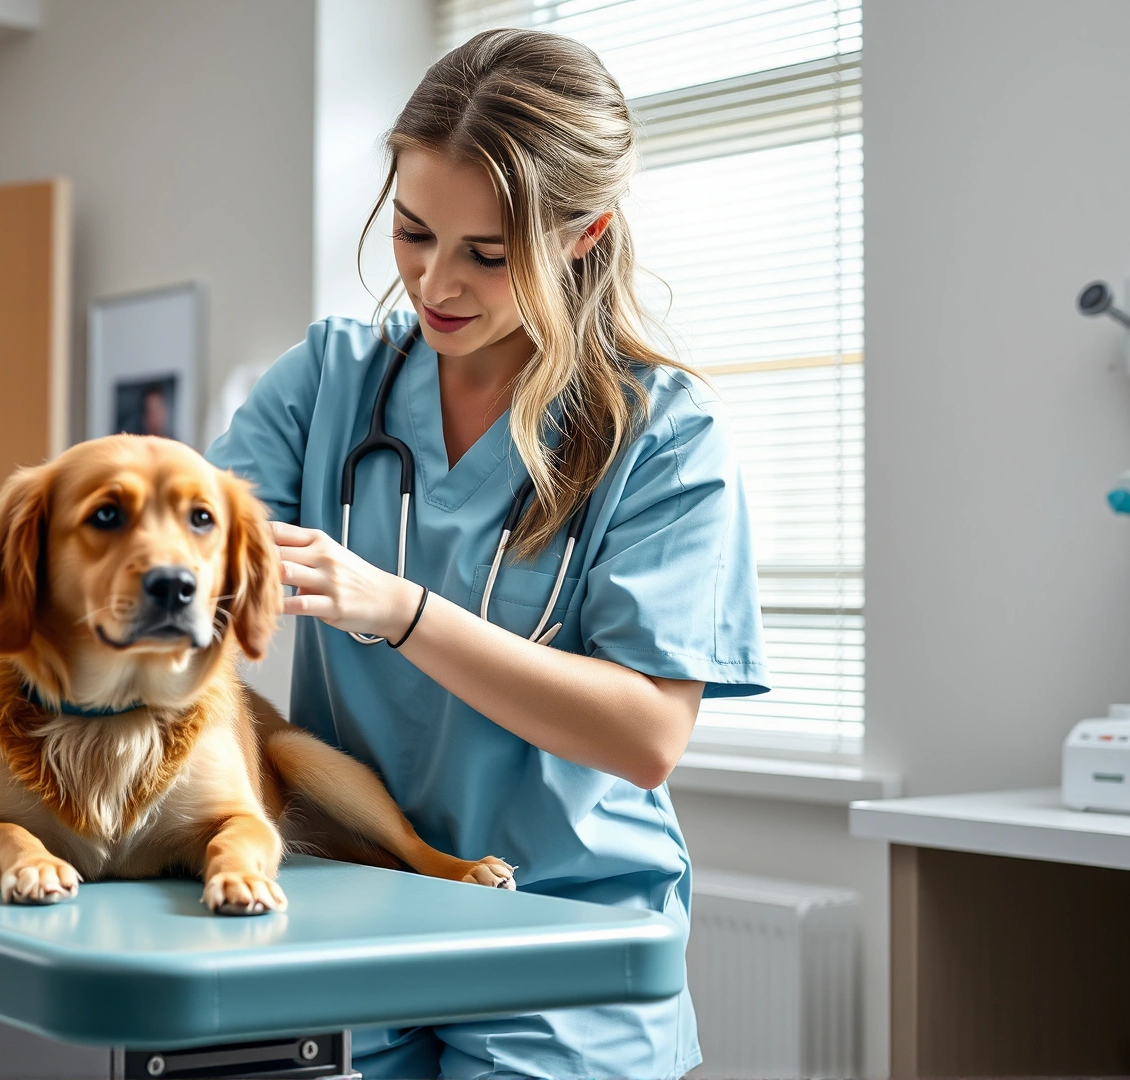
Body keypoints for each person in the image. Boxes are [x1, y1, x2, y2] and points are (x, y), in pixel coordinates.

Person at [206, 29, 767, 1079]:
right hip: (349, 903)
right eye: (415, 233)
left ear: (584, 233)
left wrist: (400, 612)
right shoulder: (330, 380)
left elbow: (648, 734)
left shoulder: (663, 434)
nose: (435, 282)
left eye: (488, 254)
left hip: (565, 934)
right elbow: (195, 552)